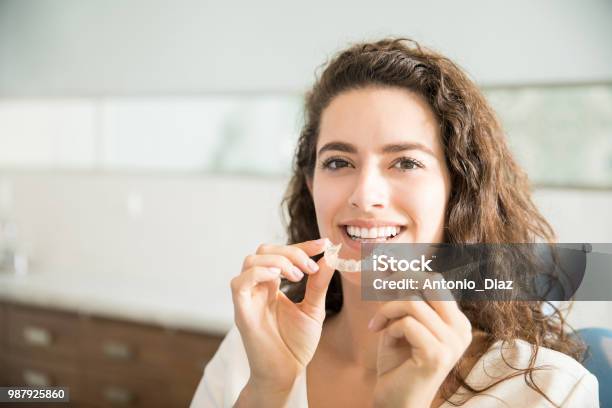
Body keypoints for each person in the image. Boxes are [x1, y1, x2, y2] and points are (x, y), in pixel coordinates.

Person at [190, 38, 599, 407]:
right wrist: (267, 391)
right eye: (338, 162)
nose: (365, 195)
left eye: (405, 162)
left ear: (458, 190)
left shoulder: (549, 391)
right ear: (311, 184)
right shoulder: (252, 353)